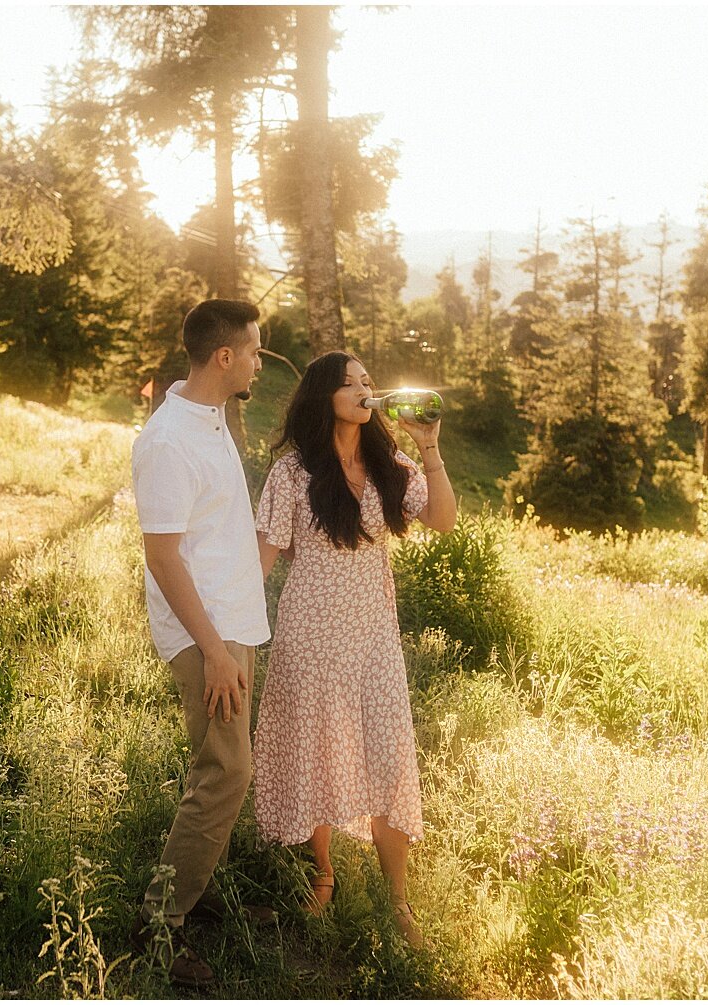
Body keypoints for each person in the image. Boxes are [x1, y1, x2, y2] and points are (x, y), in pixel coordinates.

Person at [251, 351, 458, 948]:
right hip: (310, 636)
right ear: (326, 397)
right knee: (319, 751)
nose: (367, 389)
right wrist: (228, 636)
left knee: (390, 758)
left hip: (373, 639)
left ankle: (398, 901)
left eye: (370, 380)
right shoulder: (293, 472)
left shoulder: (390, 462)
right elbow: (262, 562)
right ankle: (324, 874)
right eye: (352, 382)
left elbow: (443, 520)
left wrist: (429, 447)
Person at [128, 298, 269, 987]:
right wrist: (214, 648)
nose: (258, 363)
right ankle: (158, 924)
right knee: (225, 772)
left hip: (232, 624)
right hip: (204, 634)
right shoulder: (167, 440)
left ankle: (188, 880)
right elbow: (163, 556)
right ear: (224, 356)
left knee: (220, 768)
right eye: (253, 351)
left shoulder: (210, 418)